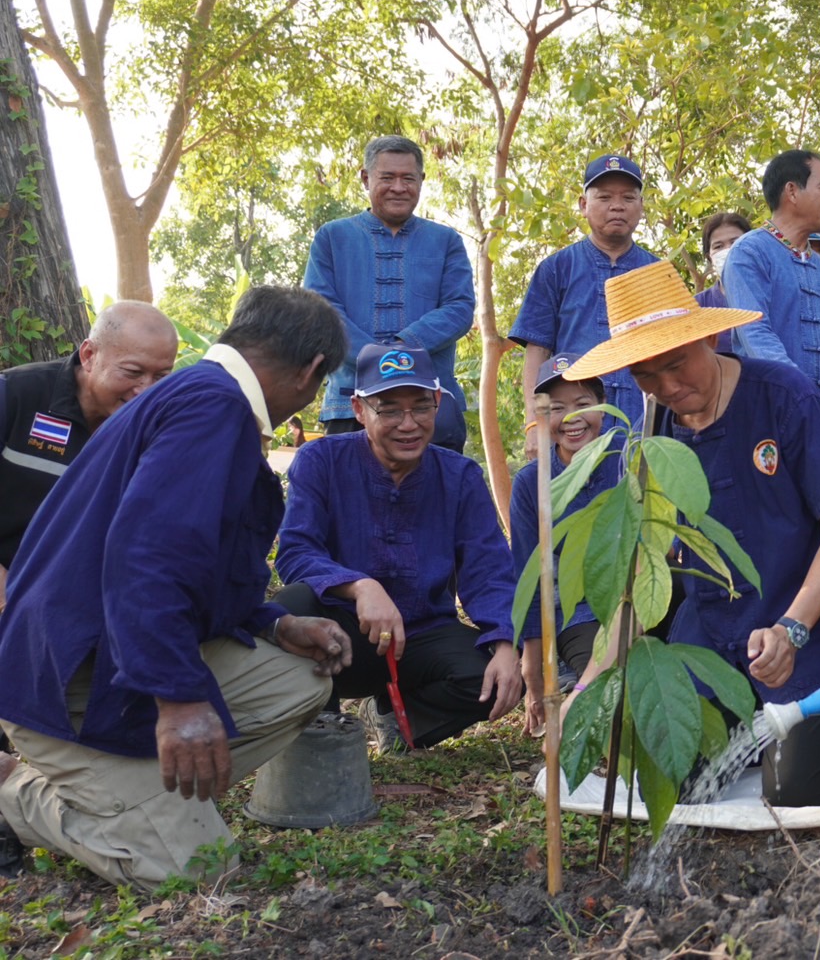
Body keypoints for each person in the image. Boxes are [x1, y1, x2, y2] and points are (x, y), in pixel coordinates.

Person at [0, 286, 353, 888]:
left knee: (297, 680)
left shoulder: (200, 397)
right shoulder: (212, 407)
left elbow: (195, 568)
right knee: (197, 871)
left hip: (113, 660)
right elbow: (148, 558)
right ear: (311, 370)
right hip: (68, 679)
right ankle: (18, 791)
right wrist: (179, 701)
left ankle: (142, 798)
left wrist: (276, 623)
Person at [564, 262, 820, 807]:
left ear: (709, 338)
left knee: (799, 791)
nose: (668, 387)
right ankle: (759, 722)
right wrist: (588, 685)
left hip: (805, 625)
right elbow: (645, 569)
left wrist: (791, 630)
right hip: (713, 634)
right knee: (673, 777)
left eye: (677, 364)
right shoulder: (649, 439)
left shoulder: (783, 396)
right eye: (646, 376)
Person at [273, 342, 521, 754]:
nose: (408, 424)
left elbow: (489, 570)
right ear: (359, 409)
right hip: (341, 636)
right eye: (389, 410)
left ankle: (396, 716)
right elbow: (296, 551)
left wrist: (506, 642)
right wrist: (360, 586)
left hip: (422, 635)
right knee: (292, 606)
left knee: (494, 680)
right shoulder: (321, 460)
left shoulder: (459, 476)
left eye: (421, 407)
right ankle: (321, 735)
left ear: (437, 402)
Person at [305, 135, 475, 453]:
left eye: (408, 178)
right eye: (387, 177)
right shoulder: (332, 238)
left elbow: (460, 308)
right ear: (365, 178)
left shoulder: (446, 240)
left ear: (421, 181)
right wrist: (374, 357)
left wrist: (402, 346)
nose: (399, 187)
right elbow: (319, 311)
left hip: (430, 409)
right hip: (349, 406)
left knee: (438, 486)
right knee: (348, 485)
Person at [1, 301, 178, 601]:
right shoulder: (14, 395)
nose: (145, 390)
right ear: (88, 355)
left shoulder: (160, 428)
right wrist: (8, 602)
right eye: (132, 372)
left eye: (161, 377)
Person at [721, 150, 820, 472]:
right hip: (773, 426)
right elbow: (756, 334)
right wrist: (806, 399)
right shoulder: (749, 254)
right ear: (791, 191)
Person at [511, 154, 658, 457]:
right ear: (583, 205)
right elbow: (537, 350)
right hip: (572, 423)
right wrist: (534, 423)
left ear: (641, 206)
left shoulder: (657, 272)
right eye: (604, 197)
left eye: (628, 197)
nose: (617, 206)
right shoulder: (556, 268)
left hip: (642, 420)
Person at [510, 353, 618, 735]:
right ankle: (570, 673)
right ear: (541, 417)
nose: (572, 418)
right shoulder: (532, 483)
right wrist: (533, 670)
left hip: (634, 602)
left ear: (603, 407)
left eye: (583, 404)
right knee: (607, 696)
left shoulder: (625, 460)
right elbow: (529, 577)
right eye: (556, 408)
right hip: (578, 614)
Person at [695, 212, 752, 355]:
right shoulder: (698, 306)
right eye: (718, 246)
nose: (728, 250)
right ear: (709, 257)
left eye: (735, 242)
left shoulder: (775, 294)